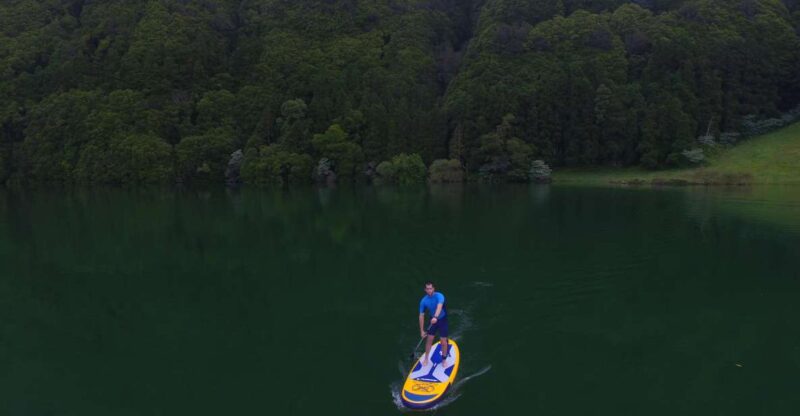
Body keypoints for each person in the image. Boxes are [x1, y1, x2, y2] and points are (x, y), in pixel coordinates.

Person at [418, 281, 449, 367]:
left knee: (443, 341)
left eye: (430, 288)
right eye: (427, 289)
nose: (429, 290)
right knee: (429, 339)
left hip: (442, 320)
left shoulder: (439, 296)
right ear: (425, 290)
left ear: (433, 289)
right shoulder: (423, 301)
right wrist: (421, 331)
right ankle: (426, 358)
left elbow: (439, 306)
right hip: (433, 320)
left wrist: (435, 316)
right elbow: (421, 316)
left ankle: (444, 359)